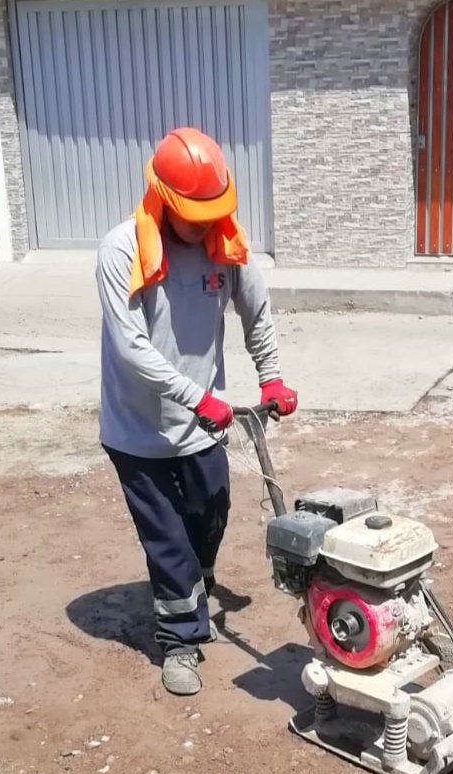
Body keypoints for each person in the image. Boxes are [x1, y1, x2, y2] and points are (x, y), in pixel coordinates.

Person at [96, 126, 298, 696]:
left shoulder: (224, 244)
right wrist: (196, 395)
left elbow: (257, 314)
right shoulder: (121, 250)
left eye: (213, 211)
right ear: (162, 198)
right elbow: (130, 347)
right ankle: (180, 641)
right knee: (169, 540)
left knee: (212, 513)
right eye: (194, 213)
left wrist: (272, 376)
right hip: (138, 431)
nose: (205, 223)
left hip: (204, 424)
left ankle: (191, 583)